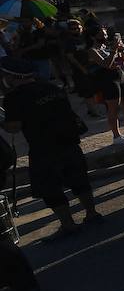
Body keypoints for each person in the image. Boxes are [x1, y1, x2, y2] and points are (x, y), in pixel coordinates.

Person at [2, 56, 101, 236]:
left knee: (50, 188)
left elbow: (13, 127)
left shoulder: (14, 97)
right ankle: (92, 213)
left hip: (43, 148)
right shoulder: (51, 87)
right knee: (79, 180)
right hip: (69, 141)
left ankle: (69, 225)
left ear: (12, 76)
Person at [87, 27, 124, 146]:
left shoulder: (107, 46)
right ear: (93, 36)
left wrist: (121, 50)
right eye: (101, 35)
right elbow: (106, 64)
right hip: (106, 79)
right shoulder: (93, 50)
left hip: (119, 75)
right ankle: (116, 135)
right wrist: (113, 51)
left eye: (106, 35)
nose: (105, 37)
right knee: (114, 107)